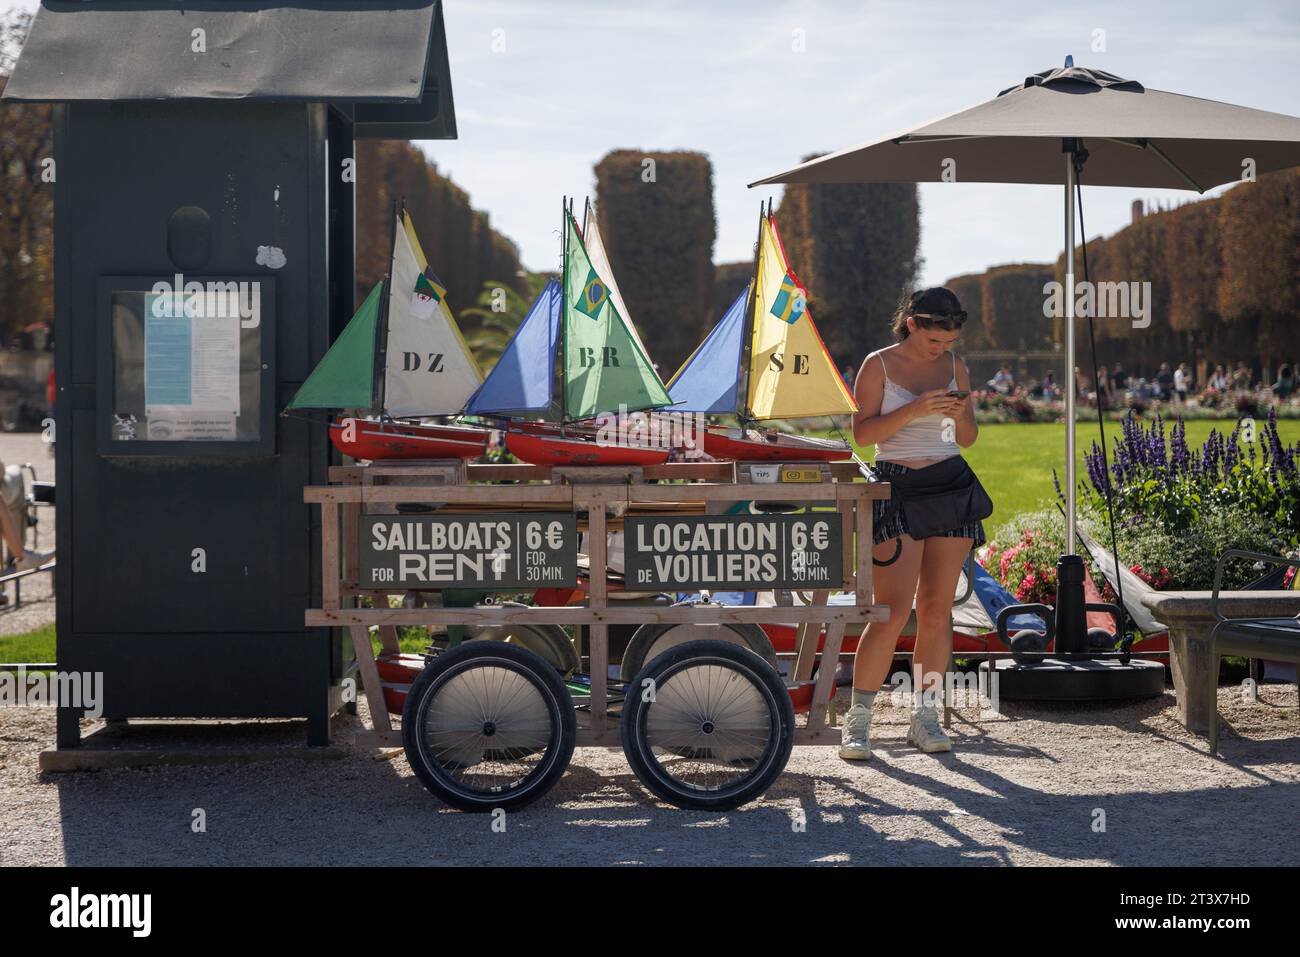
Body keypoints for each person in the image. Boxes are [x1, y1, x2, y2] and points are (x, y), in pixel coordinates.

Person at [842, 287, 987, 760]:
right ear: (913, 324)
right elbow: (863, 436)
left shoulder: (955, 367)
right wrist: (916, 409)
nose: (942, 350)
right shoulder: (878, 365)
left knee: (935, 609)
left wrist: (959, 412)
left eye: (948, 342)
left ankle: (924, 718)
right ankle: (858, 721)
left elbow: (967, 440)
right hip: (898, 485)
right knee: (891, 609)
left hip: (951, 485)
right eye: (934, 341)